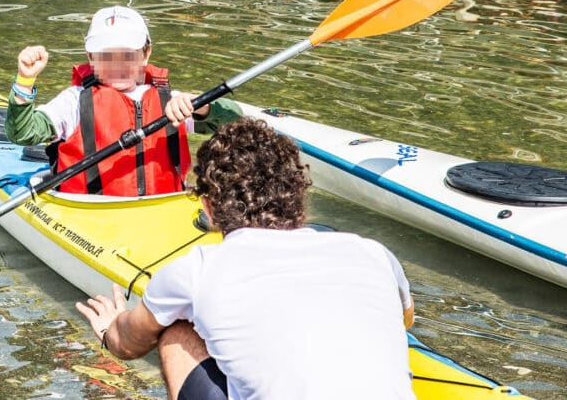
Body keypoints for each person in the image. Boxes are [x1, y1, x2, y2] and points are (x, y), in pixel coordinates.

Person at [75, 117, 417, 400]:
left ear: (209, 208)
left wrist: (109, 330)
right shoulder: (374, 253)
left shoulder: (195, 271)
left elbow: (128, 343)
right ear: (299, 193)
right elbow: (404, 321)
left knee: (176, 328)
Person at [5, 5, 240, 197]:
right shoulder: (73, 102)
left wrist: (202, 108)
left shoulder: (171, 101)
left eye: (127, 55)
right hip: (92, 213)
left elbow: (237, 124)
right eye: (106, 56)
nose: (116, 65)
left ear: (146, 54)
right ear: (90, 57)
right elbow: (23, 134)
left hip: (162, 209)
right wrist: (25, 80)